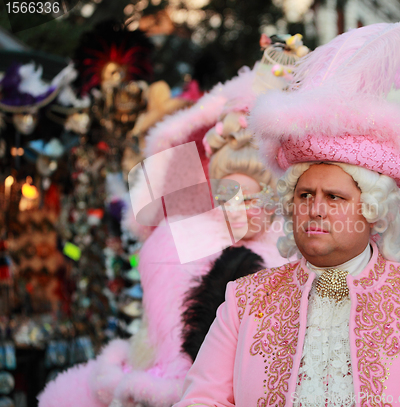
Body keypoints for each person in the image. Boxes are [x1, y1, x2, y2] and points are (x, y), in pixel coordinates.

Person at [173, 16, 400, 407]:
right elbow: (202, 399)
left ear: (371, 210)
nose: (315, 210)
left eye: (335, 198)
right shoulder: (244, 301)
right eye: (305, 195)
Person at [38, 36, 306, 407]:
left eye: (256, 197)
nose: (242, 207)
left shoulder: (291, 251)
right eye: (229, 196)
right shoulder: (179, 240)